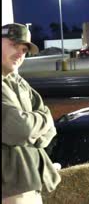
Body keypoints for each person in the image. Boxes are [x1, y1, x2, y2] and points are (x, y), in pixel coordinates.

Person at [2, 23, 61, 203]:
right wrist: (35, 128)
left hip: (30, 183)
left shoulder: (18, 82)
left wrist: (33, 129)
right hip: (10, 189)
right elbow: (19, 129)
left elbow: (50, 128)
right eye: (14, 45)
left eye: (24, 50)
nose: (20, 53)